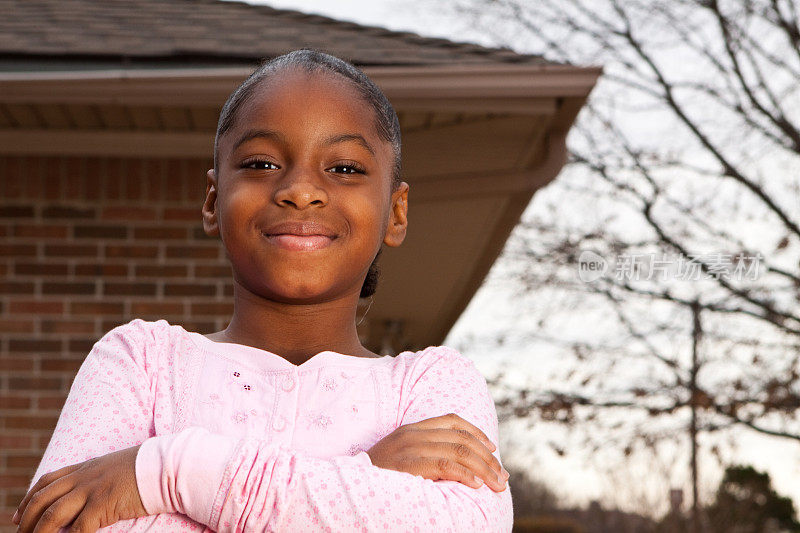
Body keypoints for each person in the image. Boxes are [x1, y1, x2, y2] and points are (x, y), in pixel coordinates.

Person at [13, 49, 514, 532]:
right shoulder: (141, 360)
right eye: (261, 164)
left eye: (343, 169)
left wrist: (172, 468)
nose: (300, 189)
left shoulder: (431, 384)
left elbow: (463, 523)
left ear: (396, 212)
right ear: (213, 200)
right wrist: (365, 482)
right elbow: (59, 524)